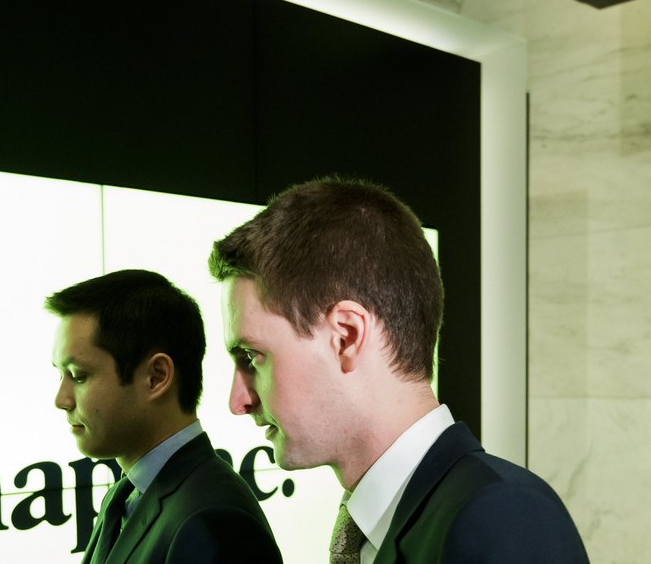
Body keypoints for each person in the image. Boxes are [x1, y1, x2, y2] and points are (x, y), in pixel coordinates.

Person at [209, 176, 589, 563]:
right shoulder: (397, 523)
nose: (238, 401)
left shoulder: (505, 520)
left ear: (346, 337)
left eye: (251, 356)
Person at [46, 269, 282, 564]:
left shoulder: (214, 522)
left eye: (79, 376)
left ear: (156, 377)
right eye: (60, 375)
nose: (61, 400)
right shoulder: (124, 496)